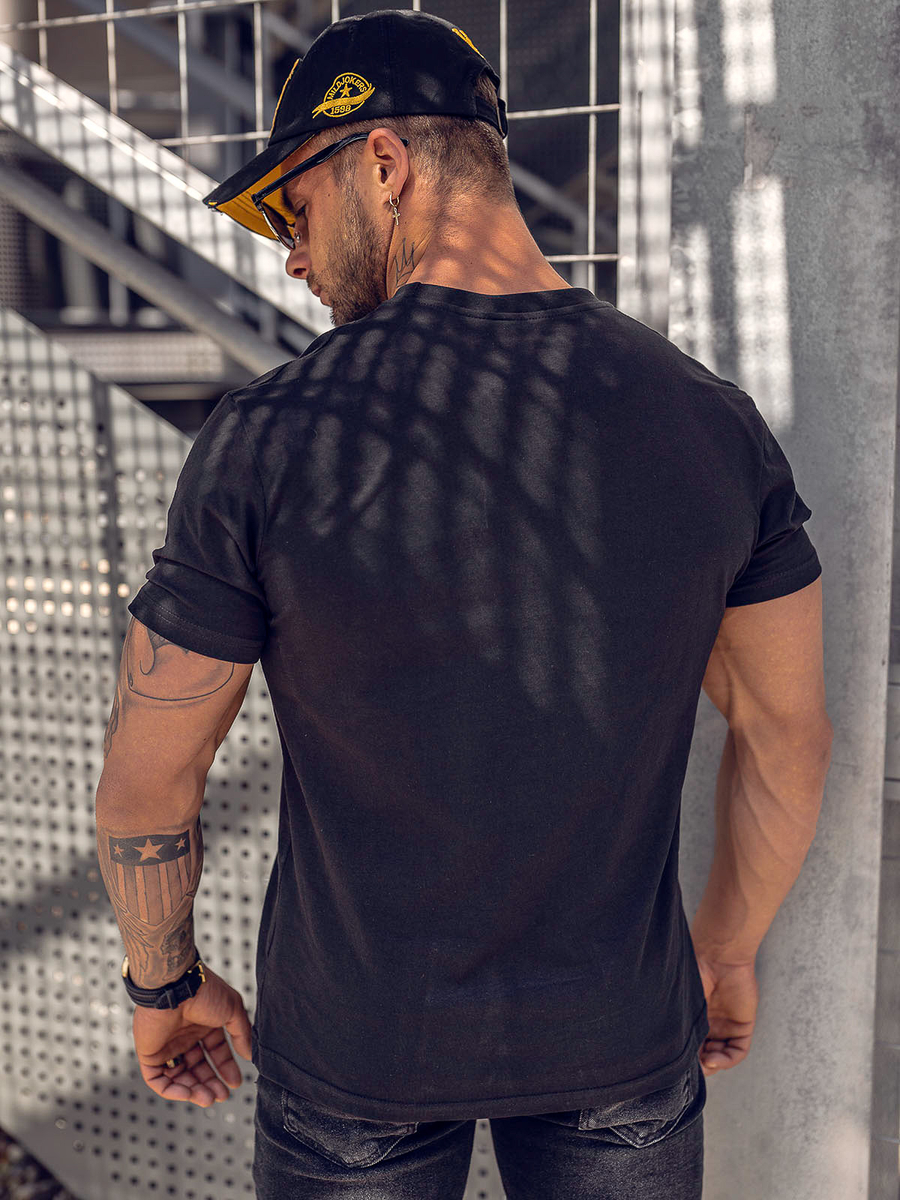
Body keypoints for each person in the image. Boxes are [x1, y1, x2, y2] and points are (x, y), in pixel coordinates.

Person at [110, 9, 832, 1199]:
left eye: (294, 210)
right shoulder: (709, 423)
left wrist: (164, 984)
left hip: (356, 1053)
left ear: (383, 164)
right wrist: (726, 949)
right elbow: (787, 734)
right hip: (620, 1036)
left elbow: (151, 781)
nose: (291, 256)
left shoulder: (271, 438)